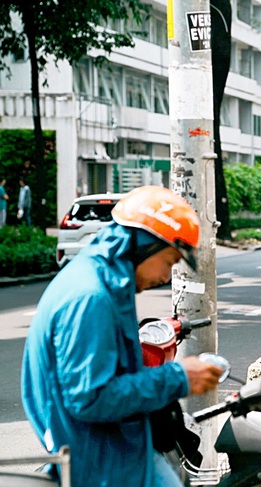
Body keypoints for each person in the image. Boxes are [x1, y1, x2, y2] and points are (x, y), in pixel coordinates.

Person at [21, 186, 223, 487]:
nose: (167, 276)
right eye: (169, 261)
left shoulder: (105, 281)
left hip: (117, 450)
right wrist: (177, 378)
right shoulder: (91, 297)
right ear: (145, 246)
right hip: (103, 464)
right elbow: (90, 397)